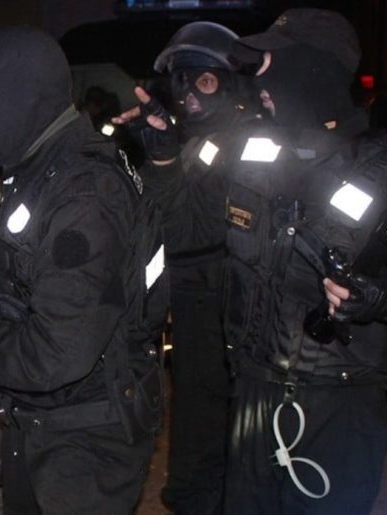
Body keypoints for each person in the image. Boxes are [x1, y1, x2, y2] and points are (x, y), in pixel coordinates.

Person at [124, 8, 387, 514]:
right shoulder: (255, 155)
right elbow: (188, 233)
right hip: (252, 398)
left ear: (314, 67)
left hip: (338, 406)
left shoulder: (378, 167)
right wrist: (162, 159)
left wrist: (377, 298)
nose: (258, 78)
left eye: (269, 62)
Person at [0, 26, 168, 514]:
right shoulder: (44, 168)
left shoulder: (85, 192)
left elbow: (58, 352)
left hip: (85, 439)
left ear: (23, 93)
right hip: (47, 421)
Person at [118, 21, 262, 515]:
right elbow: (153, 216)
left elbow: (192, 231)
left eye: (204, 80)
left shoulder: (246, 141)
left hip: (223, 298)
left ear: (230, 82)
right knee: (195, 409)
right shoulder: (197, 139)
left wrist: (163, 162)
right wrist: (156, 151)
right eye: (181, 82)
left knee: (212, 413)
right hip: (194, 296)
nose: (190, 95)